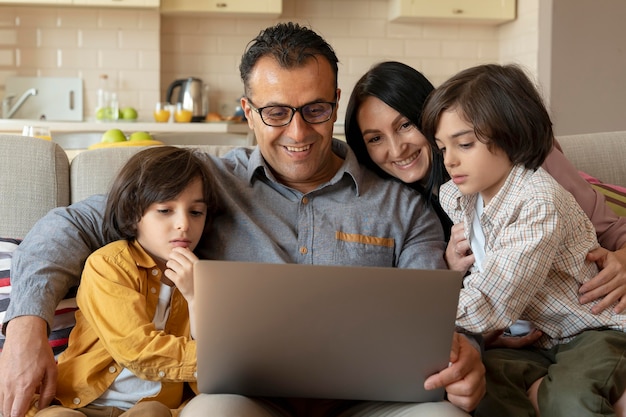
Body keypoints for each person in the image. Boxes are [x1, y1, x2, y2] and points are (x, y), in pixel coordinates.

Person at [0, 23, 485, 417]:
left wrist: (463, 357)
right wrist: (26, 328)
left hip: (372, 402)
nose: (298, 132)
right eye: (276, 112)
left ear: (336, 102)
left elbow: (433, 320)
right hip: (245, 399)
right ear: (247, 112)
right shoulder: (201, 184)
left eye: (315, 110)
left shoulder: (403, 207)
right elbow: (70, 226)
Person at [344, 61, 626, 415]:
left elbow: (496, 295)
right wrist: (448, 273)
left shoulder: (534, 184)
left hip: (593, 324)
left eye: (405, 125)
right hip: (532, 337)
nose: (397, 148)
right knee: (483, 389)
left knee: (571, 397)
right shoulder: (444, 198)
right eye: (375, 138)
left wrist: (419, 323)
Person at [29, 146, 222, 417]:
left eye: (196, 212)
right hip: (80, 402)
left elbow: (209, 366)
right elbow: (136, 349)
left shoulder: (206, 276)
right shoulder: (109, 265)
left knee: (153, 413)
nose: (183, 224)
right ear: (133, 216)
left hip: (150, 407)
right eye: (165, 210)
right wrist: (220, 362)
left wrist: (196, 297)